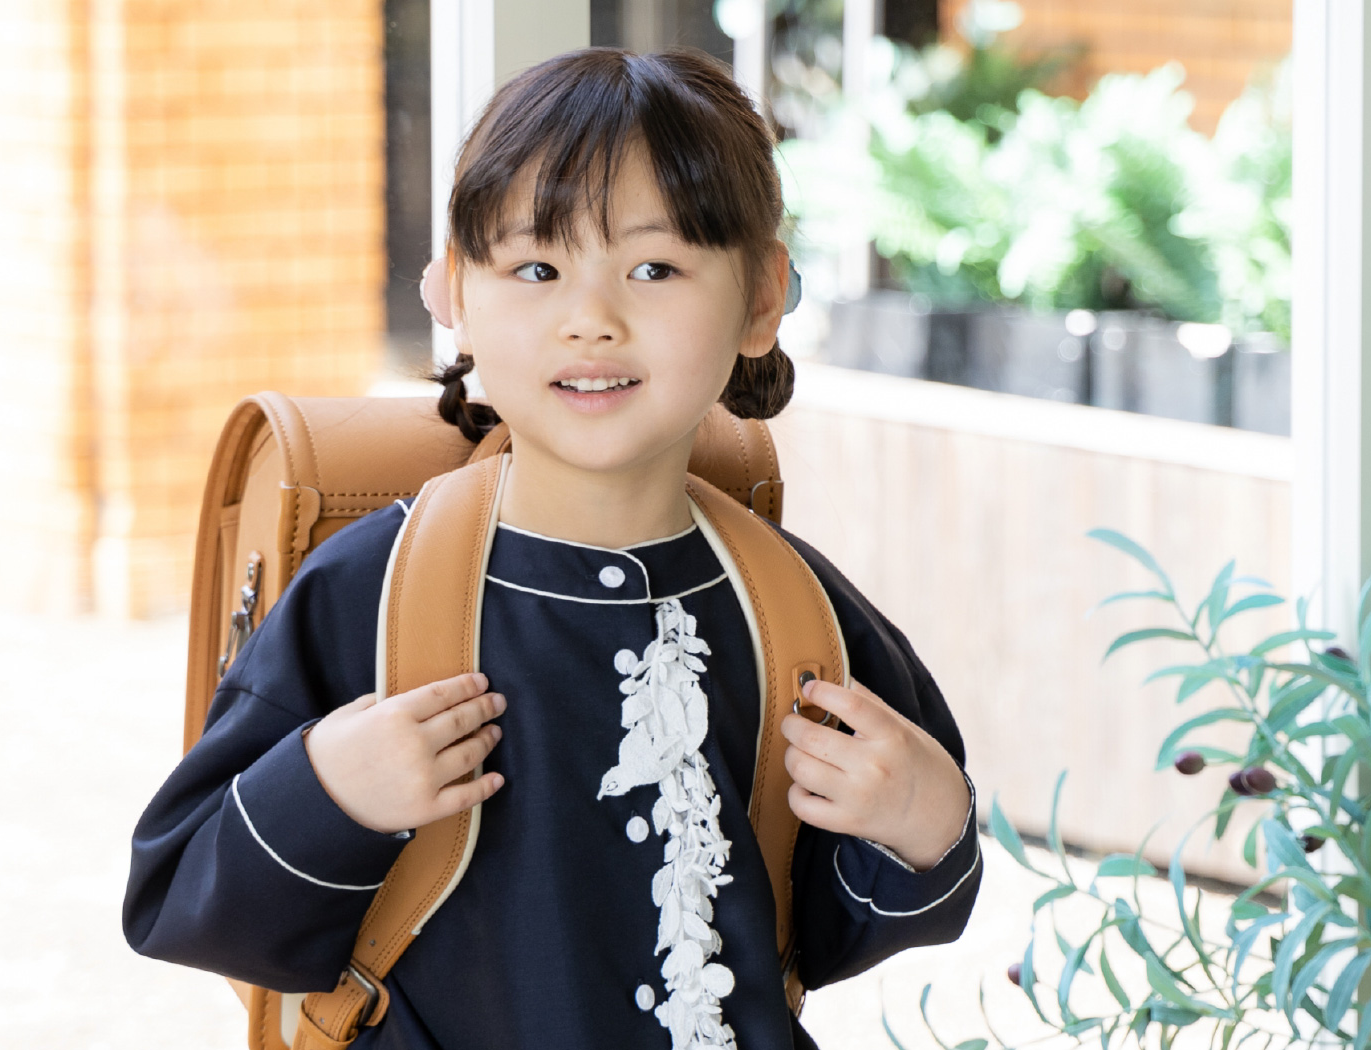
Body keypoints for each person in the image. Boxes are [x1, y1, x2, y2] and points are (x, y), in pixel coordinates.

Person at [123, 47, 981, 1049]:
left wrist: (926, 825)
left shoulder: (798, 612)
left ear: (761, 298)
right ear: (454, 291)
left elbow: (825, 931)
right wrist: (328, 793)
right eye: (537, 268)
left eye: (654, 268)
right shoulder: (369, 594)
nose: (591, 320)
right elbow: (181, 900)